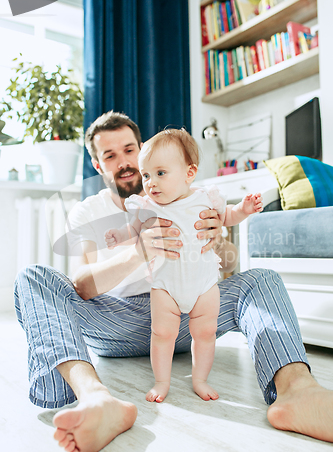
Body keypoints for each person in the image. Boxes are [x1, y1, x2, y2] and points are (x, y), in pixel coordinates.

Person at [14, 111, 333, 452]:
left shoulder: (194, 196)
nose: (124, 163)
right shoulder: (87, 212)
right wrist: (140, 250)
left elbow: (228, 266)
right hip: (115, 324)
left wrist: (218, 237)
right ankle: (95, 399)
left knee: (262, 279)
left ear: (142, 148)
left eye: (129, 150)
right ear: (96, 164)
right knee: (33, 277)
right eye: (110, 156)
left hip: (187, 316)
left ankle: (297, 392)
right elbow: (83, 287)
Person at [105, 128, 263, 403]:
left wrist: (244, 210)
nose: (151, 182)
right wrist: (118, 236)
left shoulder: (207, 198)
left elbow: (228, 217)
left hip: (204, 286)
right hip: (165, 287)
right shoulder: (147, 206)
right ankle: (161, 381)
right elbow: (132, 231)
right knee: (162, 333)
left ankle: (199, 379)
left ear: (189, 174)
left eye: (160, 173)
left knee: (205, 333)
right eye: (146, 175)